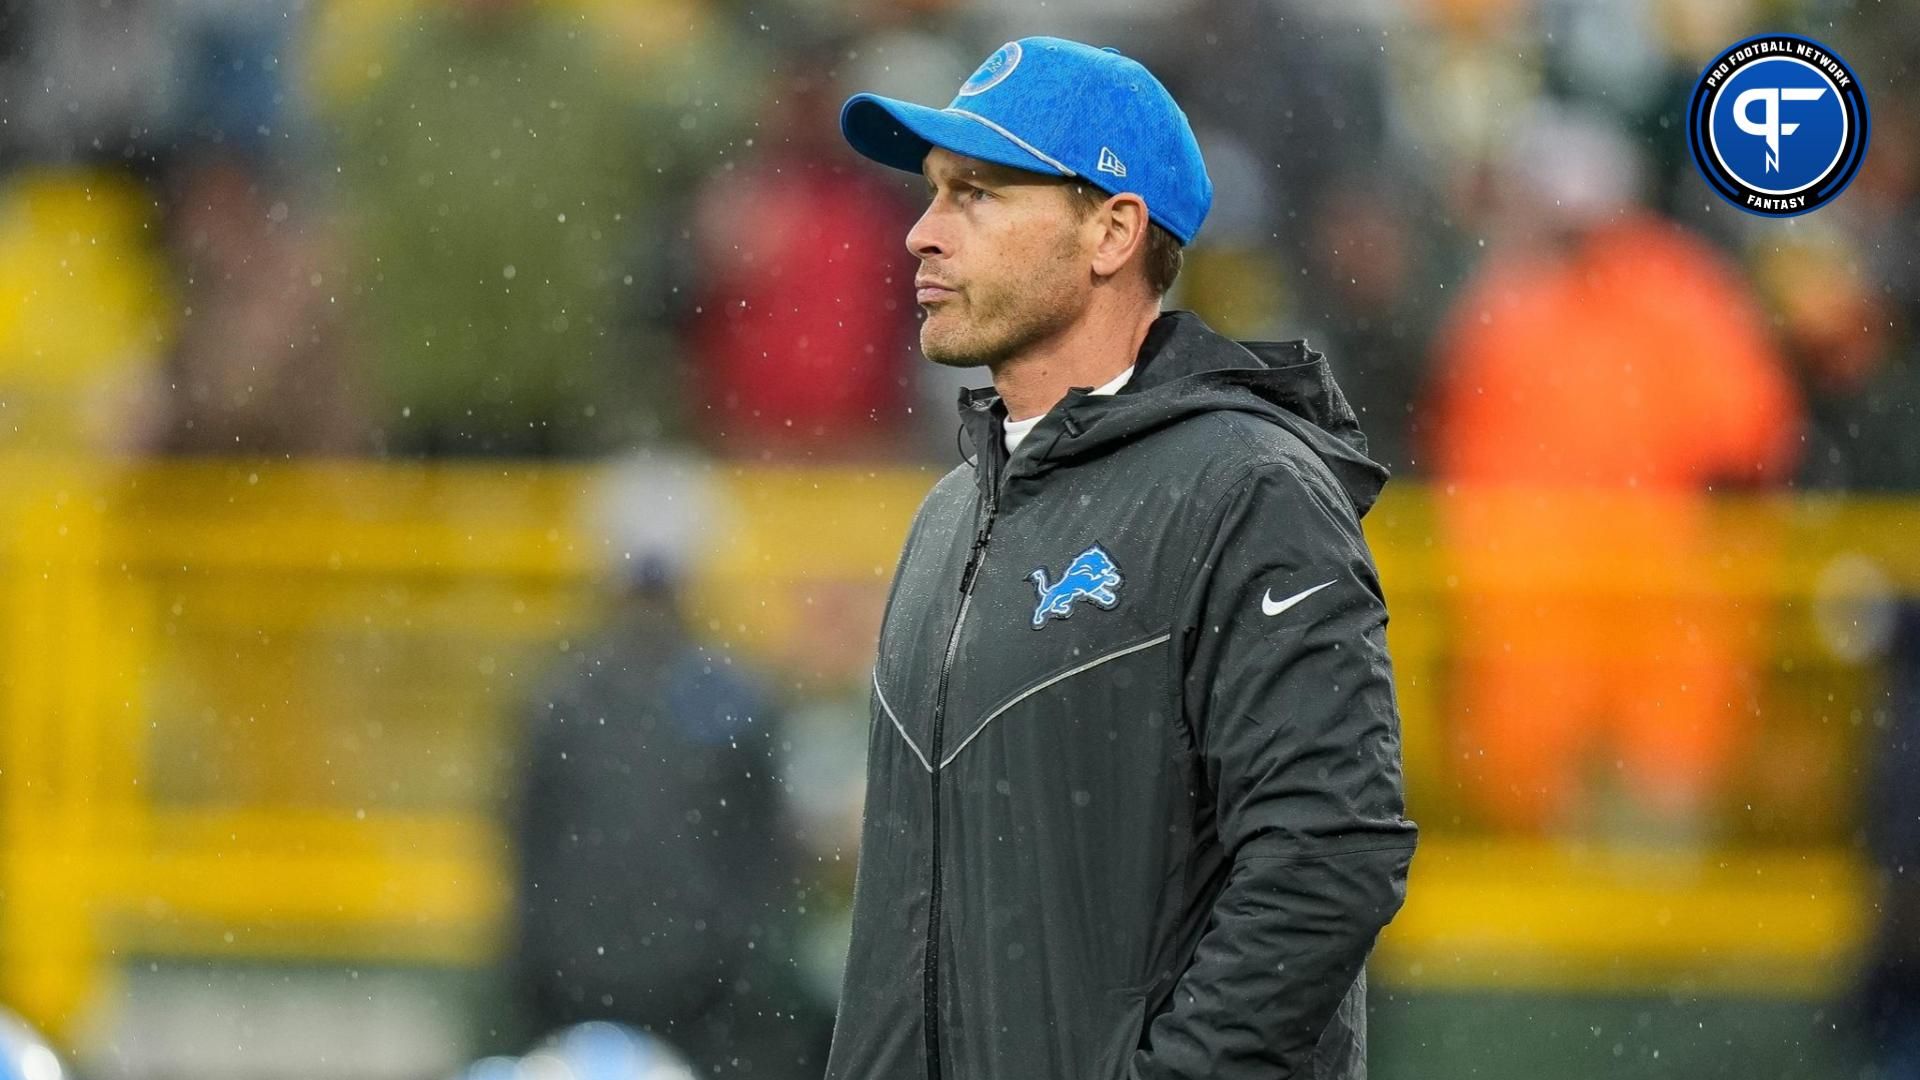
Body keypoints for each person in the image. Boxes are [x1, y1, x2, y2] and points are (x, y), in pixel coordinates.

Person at [826, 37, 1419, 1080]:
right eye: (931, 194)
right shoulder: (948, 514)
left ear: (1111, 231)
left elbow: (1329, 855)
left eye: (975, 194)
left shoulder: (1249, 489)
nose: (921, 234)